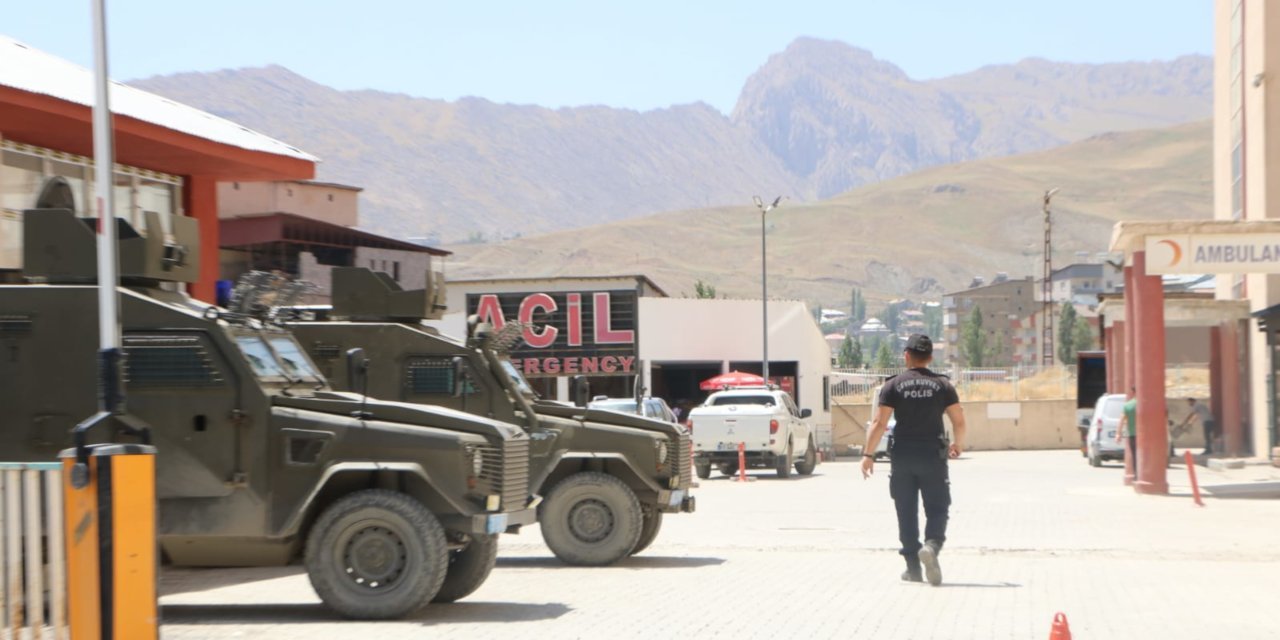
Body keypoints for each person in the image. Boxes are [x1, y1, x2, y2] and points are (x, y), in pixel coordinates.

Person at [862, 334, 966, 587]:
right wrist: (958, 444)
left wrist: (868, 454)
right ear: (930, 357)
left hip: (903, 456)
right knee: (938, 508)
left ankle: (913, 568)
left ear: (906, 355)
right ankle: (931, 546)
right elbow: (959, 420)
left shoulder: (893, 385)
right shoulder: (943, 385)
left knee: (906, 510)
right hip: (932, 456)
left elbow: (879, 423)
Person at [1115, 388, 1137, 473]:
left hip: (1132, 435)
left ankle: (1136, 474)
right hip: (1145, 436)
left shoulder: (1128, 405)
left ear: (1133, 392)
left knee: (1135, 456)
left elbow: (1121, 420)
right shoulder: (1147, 404)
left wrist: (1118, 434)